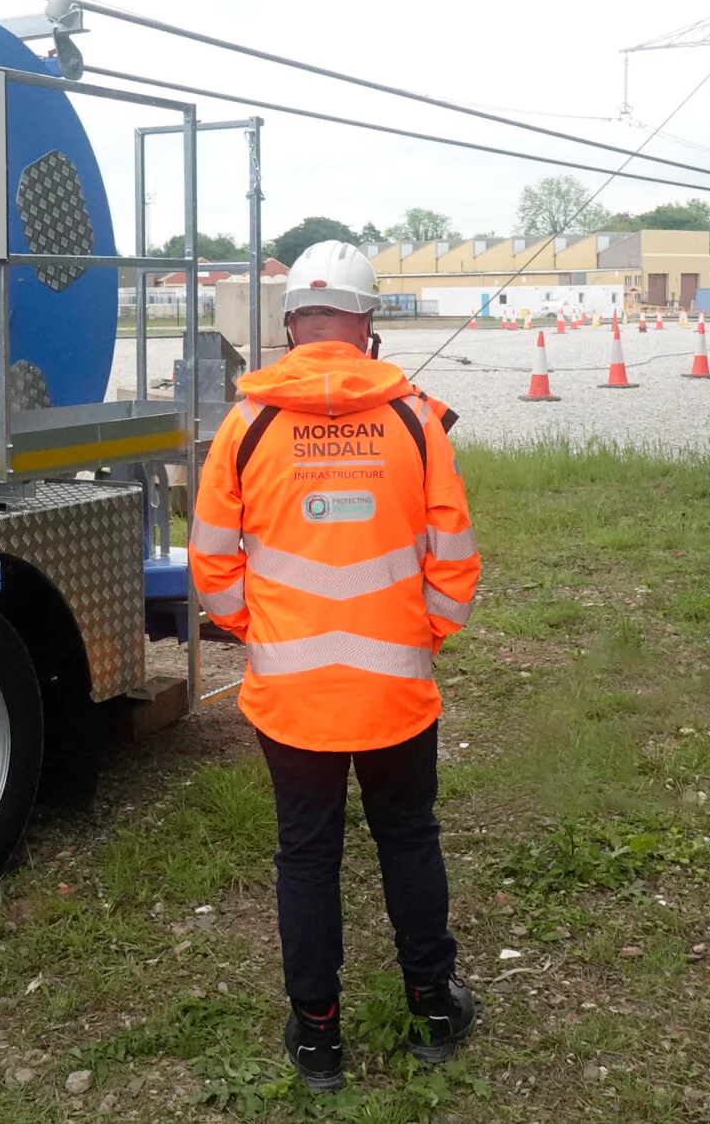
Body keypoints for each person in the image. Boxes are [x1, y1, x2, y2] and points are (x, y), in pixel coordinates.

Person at [188, 240, 481, 1093]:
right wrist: (424, 634)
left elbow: (211, 564)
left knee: (306, 859)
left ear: (290, 325)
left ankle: (317, 1038)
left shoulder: (247, 426)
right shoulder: (416, 419)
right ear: (368, 322)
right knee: (409, 840)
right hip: (396, 690)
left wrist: (262, 631)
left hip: (291, 697)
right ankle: (434, 1007)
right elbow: (454, 558)